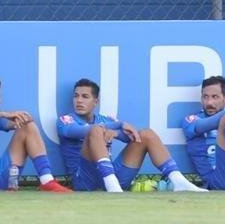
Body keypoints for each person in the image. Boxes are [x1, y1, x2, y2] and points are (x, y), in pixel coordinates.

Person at [55, 78, 205, 192]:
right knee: (94, 131)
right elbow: (79, 131)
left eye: (85, 96)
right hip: (84, 179)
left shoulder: (106, 120)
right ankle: (112, 187)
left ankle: (178, 181)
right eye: (76, 96)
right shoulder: (65, 120)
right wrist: (117, 125)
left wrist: (115, 133)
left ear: (96, 101)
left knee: (146, 134)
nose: (79, 100)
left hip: (112, 174)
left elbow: (132, 138)